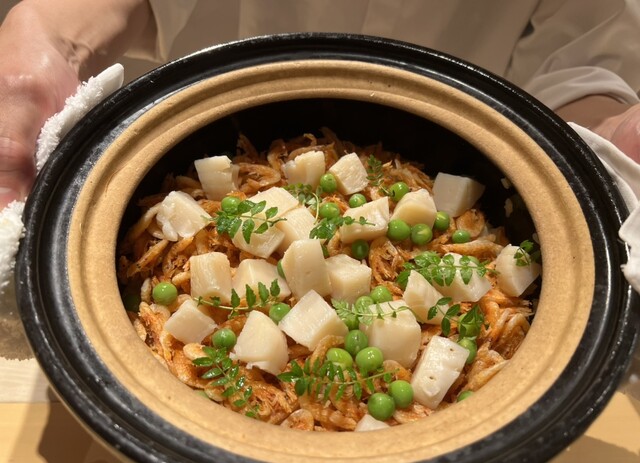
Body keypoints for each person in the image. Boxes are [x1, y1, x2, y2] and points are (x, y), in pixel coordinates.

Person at [1, 0, 640, 210]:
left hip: (456, 174)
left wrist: (607, 142)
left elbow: (580, 54)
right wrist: (48, 35)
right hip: (183, 155)